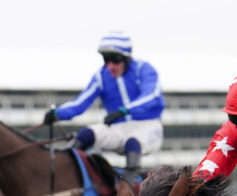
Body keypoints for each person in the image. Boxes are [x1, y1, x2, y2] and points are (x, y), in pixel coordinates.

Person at [43, 31, 165, 180]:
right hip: (117, 129)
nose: (110, 66)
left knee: (132, 142)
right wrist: (57, 113)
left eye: (115, 60)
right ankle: (64, 173)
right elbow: (81, 102)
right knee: (87, 134)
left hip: (147, 127)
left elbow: (151, 95)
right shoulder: (101, 76)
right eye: (106, 60)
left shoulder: (144, 69)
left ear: (127, 58)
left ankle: (130, 188)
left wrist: (125, 110)